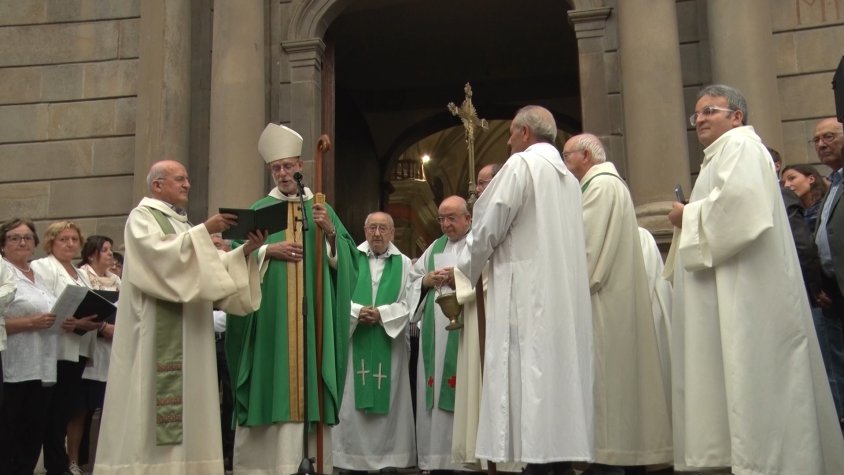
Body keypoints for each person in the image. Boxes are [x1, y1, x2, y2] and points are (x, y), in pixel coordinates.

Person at [667, 85, 844, 473]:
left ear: (736, 117)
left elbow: (742, 211)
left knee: (755, 380)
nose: (700, 119)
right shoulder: (720, 156)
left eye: (710, 110)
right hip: (733, 288)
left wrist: (687, 216)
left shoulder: (741, 148)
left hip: (748, 294)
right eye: (696, 114)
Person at [94, 159, 266, 475]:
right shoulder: (142, 218)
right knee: (152, 401)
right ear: (157, 184)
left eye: (187, 179)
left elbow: (213, 266)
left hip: (192, 331)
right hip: (157, 330)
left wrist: (245, 251)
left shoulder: (183, 225)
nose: (187, 184)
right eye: (180, 179)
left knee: (195, 400)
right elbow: (158, 258)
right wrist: (206, 230)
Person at [455, 105, 594, 470]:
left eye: (511, 134)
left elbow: (489, 224)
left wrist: (465, 265)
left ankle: (538, 463)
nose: (507, 141)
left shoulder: (521, 166)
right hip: (561, 300)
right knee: (554, 393)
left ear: (525, 134)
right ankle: (555, 460)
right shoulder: (569, 178)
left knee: (529, 388)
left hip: (528, 298)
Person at [226, 123, 358, 475]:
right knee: (273, 380)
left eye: (288, 166)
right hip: (272, 320)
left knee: (310, 379)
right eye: (276, 168)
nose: (283, 173)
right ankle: (269, 466)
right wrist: (269, 250)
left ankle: (312, 461)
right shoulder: (259, 209)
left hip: (312, 321)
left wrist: (330, 234)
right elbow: (235, 257)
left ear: (301, 166)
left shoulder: (319, 208)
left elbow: (347, 262)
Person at [562, 133, 671, 473]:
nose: (565, 164)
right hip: (606, 302)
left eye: (567, 156)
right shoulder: (603, 186)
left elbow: (587, 251)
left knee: (607, 403)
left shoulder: (601, 187)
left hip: (600, 306)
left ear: (586, 155)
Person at [332, 211, 417, 472]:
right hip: (355, 339)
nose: (377, 234)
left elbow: (410, 302)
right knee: (351, 398)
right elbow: (336, 294)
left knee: (391, 400)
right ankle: (349, 457)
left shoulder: (403, 264)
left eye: (383, 228)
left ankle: (390, 458)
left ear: (392, 233)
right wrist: (357, 312)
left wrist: (382, 314)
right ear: (364, 230)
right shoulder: (349, 259)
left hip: (388, 344)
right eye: (372, 228)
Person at [31, 221, 100, 475]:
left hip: (78, 346)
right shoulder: (42, 267)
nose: (70, 244)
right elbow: (43, 305)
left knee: (64, 410)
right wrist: (74, 321)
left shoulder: (80, 271)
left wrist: (94, 320)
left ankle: (56, 464)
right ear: (51, 242)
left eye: (74, 239)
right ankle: (55, 465)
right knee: (51, 410)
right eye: (64, 239)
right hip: (56, 348)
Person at [410, 195, 473, 472]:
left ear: (468, 218)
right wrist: (426, 280)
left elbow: (487, 276)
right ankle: (436, 459)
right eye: (442, 219)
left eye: (452, 218)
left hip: (468, 328)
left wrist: (455, 277)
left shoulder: (478, 242)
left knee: (466, 389)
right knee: (436, 391)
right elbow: (412, 278)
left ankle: (466, 458)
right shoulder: (435, 247)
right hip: (435, 332)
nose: (446, 224)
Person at [0, 218, 61, 475]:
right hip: (12, 366)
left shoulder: (38, 274)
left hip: (43, 364)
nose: (23, 242)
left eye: (27, 237)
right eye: (14, 237)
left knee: (32, 433)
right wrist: (29, 322)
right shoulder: (3, 271)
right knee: (7, 434)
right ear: (2, 245)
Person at [65, 235, 120, 475]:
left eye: (110, 249)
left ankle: (106, 461)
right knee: (79, 409)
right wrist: (101, 327)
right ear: (90, 254)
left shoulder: (118, 280)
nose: (110, 254)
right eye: (104, 250)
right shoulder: (82, 276)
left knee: (109, 410)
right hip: (88, 349)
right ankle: (73, 460)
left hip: (113, 352)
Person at [811, 117, 844, 429]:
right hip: (833, 295)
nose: (822, 144)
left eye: (829, 136)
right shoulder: (833, 184)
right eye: (817, 140)